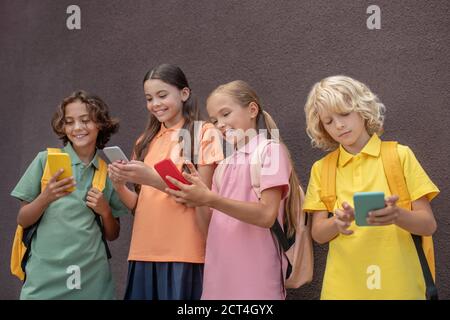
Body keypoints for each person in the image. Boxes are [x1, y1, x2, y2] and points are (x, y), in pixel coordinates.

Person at [303, 75, 440, 299]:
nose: (338, 125)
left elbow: (428, 225)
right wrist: (337, 223)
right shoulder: (322, 169)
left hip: (400, 287)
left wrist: (397, 215)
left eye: (345, 113)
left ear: (362, 109)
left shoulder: (399, 156)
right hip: (342, 290)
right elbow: (318, 234)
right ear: (322, 127)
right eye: (328, 121)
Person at [165, 80, 302, 299]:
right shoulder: (224, 165)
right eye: (214, 119)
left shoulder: (271, 151)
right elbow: (208, 230)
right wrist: (200, 198)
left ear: (252, 109)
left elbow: (267, 215)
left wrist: (210, 199)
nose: (220, 124)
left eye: (226, 114)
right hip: (218, 276)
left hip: (256, 277)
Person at [108, 64, 223, 300]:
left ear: (184, 94)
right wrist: (119, 184)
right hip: (143, 251)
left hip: (185, 251)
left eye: (162, 95)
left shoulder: (204, 133)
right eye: (149, 98)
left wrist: (154, 180)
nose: (155, 104)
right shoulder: (144, 141)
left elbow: (202, 196)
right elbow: (137, 205)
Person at [11, 90, 128, 299]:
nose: (77, 128)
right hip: (45, 275)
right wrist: (45, 197)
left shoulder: (106, 172)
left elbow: (113, 234)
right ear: (63, 127)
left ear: (100, 124)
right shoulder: (44, 161)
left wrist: (105, 211)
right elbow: (23, 218)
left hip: (92, 277)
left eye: (85, 120)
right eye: (70, 122)